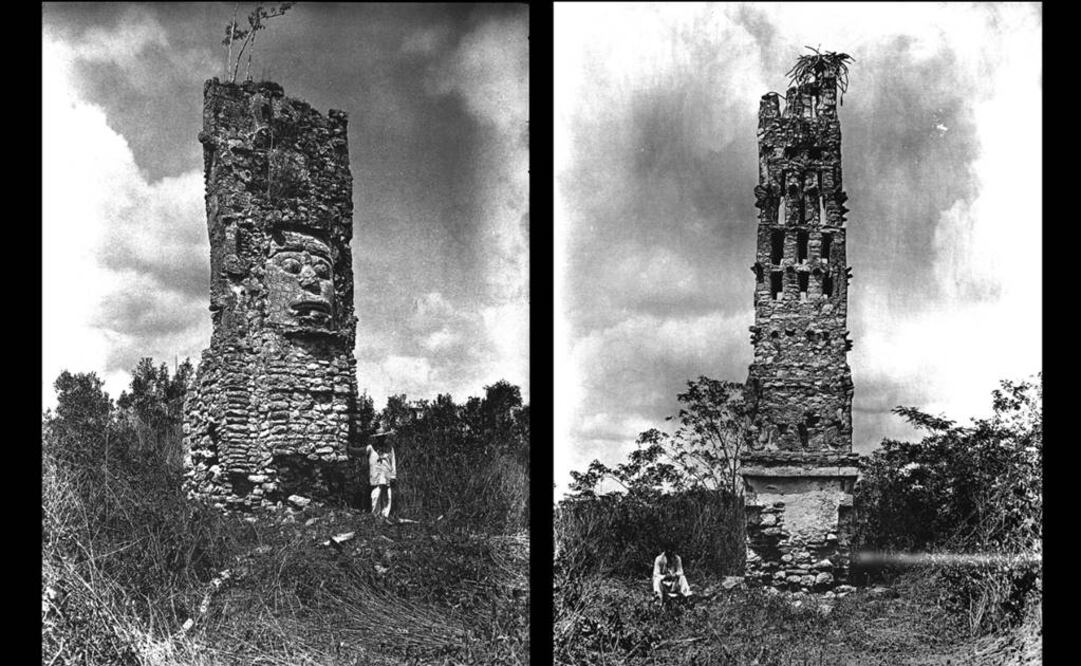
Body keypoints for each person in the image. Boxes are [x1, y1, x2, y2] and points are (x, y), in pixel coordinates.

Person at [365, 431, 397, 522]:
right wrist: (349, 448)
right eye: (379, 437)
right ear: (376, 438)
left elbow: (393, 462)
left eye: (383, 437)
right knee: (376, 494)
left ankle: (385, 515)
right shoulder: (371, 448)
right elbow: (361, 452)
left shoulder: (389, 448)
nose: (381, 439)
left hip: (387, 474)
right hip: (376, 474)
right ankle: (375, 515)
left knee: (387, 495)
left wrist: (393, 475)